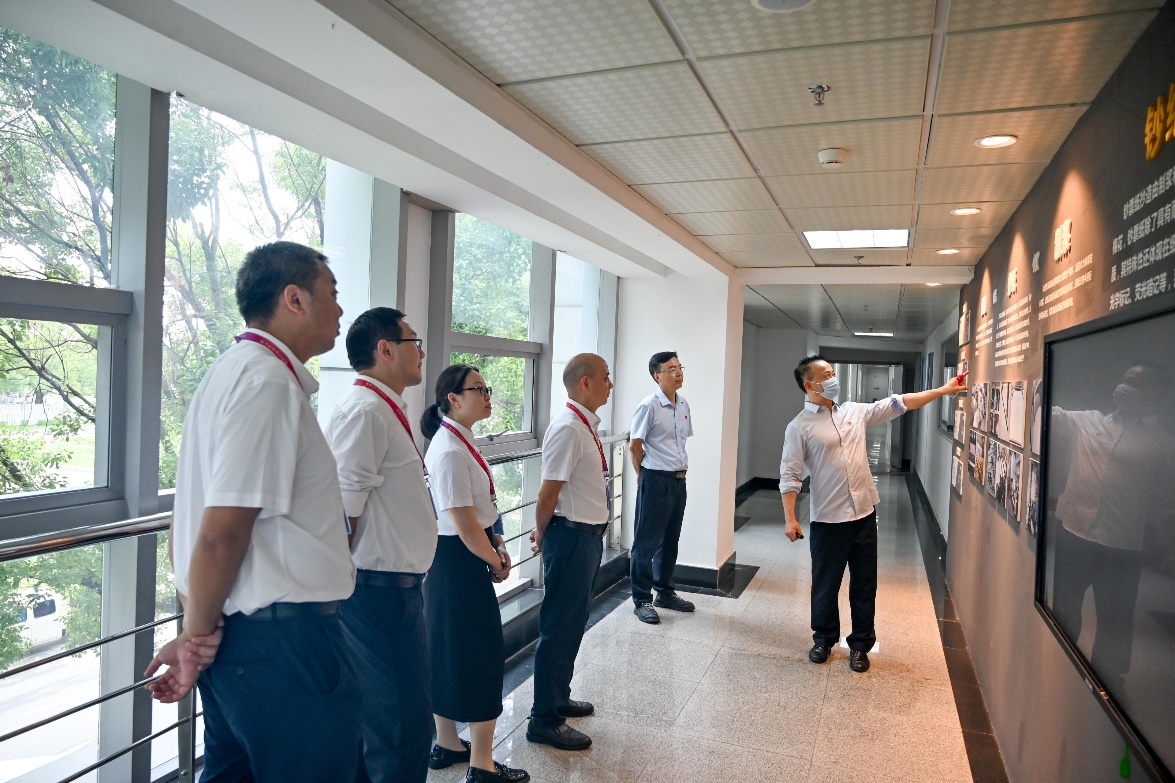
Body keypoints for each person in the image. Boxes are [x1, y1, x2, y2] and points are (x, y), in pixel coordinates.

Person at [145, 241, 361, 781]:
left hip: (244, 640)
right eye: (332, 294)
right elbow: (220, 532)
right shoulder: (265, 382)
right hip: (281, 648)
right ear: (295, 299)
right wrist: (195, 640)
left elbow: (185, 524)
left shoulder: (228, 374)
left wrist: (198, 629)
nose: (340, 310)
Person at [780, 355, 966, 673]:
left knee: (865, 585)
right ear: (810, 385)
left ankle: (860, 645)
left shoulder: (854, 411)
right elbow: (790, 474)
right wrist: (790, 518)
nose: (833, 378)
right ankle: (823, 639)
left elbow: (899, 403)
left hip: (864, 514)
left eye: (833, 372)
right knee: (825, 584)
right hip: (828, 520)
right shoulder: (799, 426)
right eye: (827, 375)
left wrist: (942, 391)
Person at [325, 308, 436, 783]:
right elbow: (340, 514)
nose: (421, 353)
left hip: (395, 589)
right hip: (373, 592)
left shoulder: (385, 408)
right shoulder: (365, 412)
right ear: (385, 349)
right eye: (414, 342)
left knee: (404, 721)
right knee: (397, 728)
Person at [421, 364, 529, 783]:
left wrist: (496, 541)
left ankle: (448, 743)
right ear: (453, 398)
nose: (487, 396)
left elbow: (479, 512)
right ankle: (481, 765)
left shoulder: (460, 440)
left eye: (487, 389)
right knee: (479, 656)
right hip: (457, 560)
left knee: (448, 651)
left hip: (461, 556)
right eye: (478, 389)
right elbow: (464, 523)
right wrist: (495, 559)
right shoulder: (449, 448)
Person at [1049, 364, 1173, 697]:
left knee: (1115, 618)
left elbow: (1166, 499)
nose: (1125, 387)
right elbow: (1049, 413)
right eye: (1124, 380)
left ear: (1155, 394)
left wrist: (1168, 543)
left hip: (1122, 544)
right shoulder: (1088, 422)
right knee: (1065, 606)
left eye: (1136, 383)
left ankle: (1109, 683)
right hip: (1074, 532)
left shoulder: (1162, 443)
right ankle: (1060, 665)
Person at [526, 353, 613, 750]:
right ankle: (544, 720)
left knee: (572, 624)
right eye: (605, 378)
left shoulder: (583, 426)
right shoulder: (567, 428)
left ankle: (558, 697)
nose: (610, 384)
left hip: (586, 538)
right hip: (570, 539)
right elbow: (548, 494)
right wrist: (542, 535)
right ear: (585, 383)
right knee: (559, 628)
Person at [629, 351, 695, 624]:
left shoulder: (683, 404)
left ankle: (664, 592)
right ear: (657, 376)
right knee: (646, 542)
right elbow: (635, 446)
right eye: (671, 369)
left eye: (679, 367)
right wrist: (642, 476)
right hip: (655, 479)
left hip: (678, 480)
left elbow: (680, 443)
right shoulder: (649, 406)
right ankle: (641, 600)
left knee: (670, 539)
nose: (678, 373)